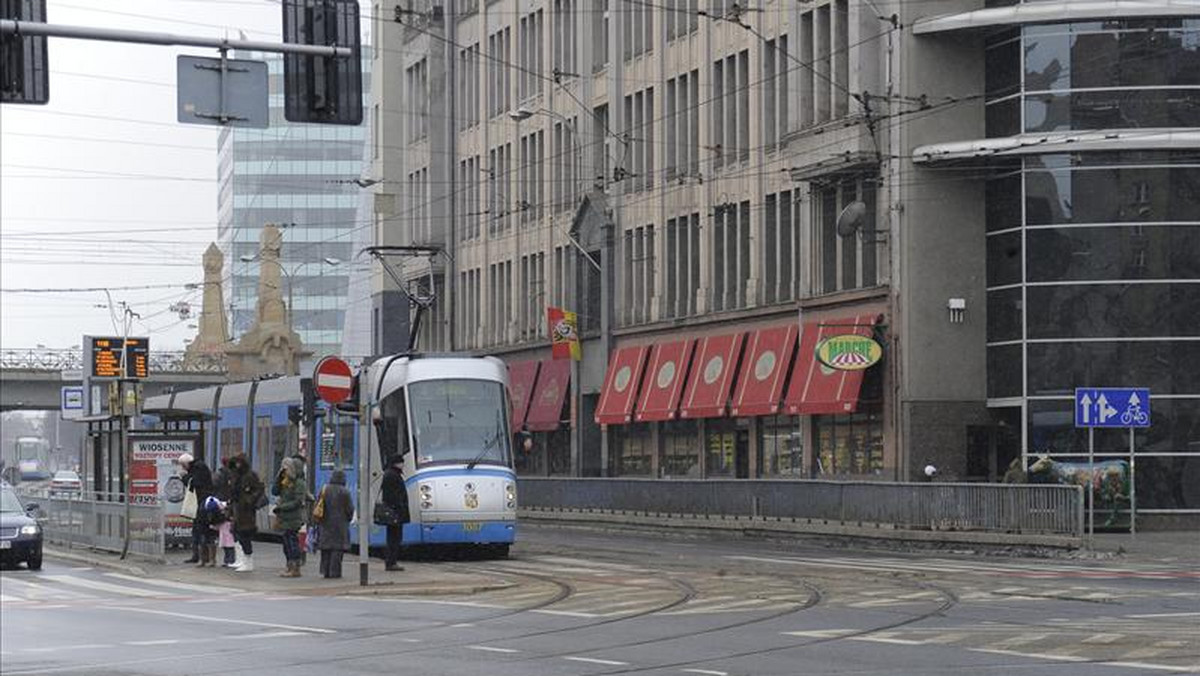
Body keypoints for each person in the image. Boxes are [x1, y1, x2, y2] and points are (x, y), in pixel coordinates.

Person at [314, 469, 354, 579]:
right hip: (340, 524)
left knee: (326, 548)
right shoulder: (345, 492)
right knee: (337, 549)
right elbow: (350, 509)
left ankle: (325, 571)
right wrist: (348, 519)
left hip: (325, 523)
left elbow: (318, 505)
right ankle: (335, 572)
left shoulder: (324, 489)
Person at [229, 454, 264, 573]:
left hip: (246, 511)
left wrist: (249, 500)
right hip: (237, 509)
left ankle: (248, 561)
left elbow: (258, 489)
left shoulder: (250, 475)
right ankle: (242, 559)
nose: (237, 465)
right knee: (237, 534)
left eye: (239, 463)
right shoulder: (235, 475)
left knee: (244, 535)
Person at [179, 453, 215, 566]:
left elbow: (195, 484)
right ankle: (199, 557)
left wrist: (184, 477)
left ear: (186, 463)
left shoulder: (198, 468)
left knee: (203, 531)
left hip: (202, 503)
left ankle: (205, 559)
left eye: (183, 465)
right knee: (198, 531)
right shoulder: (197, 467)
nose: (182, 468)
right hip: (199, 503)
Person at [272, 458, 306, 578]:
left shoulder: (299, 483)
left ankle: (295, 568)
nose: (285, 470)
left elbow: (298, 501)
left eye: (286, 468)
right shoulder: (284, 481)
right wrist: (278, 477)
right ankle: (289, 566)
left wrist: (282, 507)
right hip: (284, 518)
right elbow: (275, 491)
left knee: (292, 543)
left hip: (293, 518)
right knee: (286, 544)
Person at [380, 455, 410, 572]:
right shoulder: (392, 475)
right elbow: (394, 495)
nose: (403, 464)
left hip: (394, 511)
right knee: (394, 538)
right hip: (395, 512)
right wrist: (400, 507)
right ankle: (391, 562)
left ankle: (391, 561)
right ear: (396, 463)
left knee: (393, 537)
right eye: (401, 462)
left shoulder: (390, 474)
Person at [212, 457, 238, 567]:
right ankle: (230, 559)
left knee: (224, 533)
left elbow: (214, 486)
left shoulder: (219, 474)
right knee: (230, 534)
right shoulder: (235, 475)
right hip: (231, 505)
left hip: (222, 504)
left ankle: (228, 559)